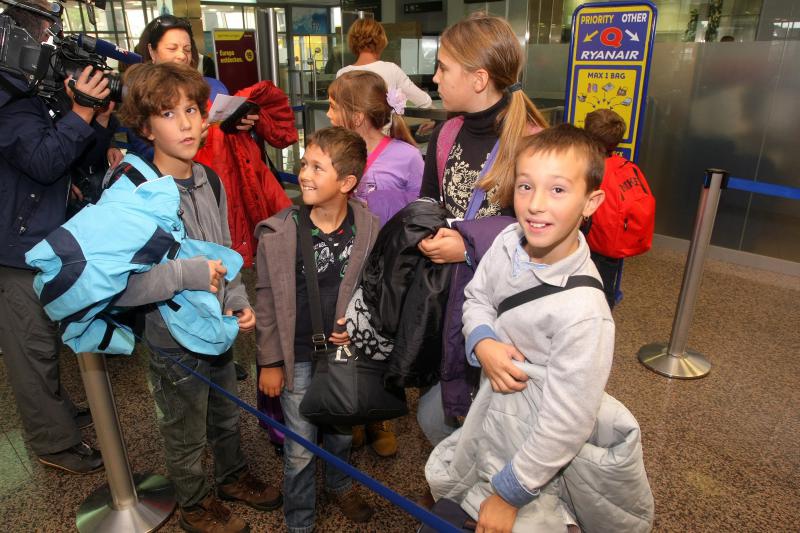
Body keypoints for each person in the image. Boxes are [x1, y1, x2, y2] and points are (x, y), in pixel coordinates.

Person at [114, 62, 281, 533]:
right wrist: (188, 274)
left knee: (225, 414)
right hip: (171, 337)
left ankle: (231, 477)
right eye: (169, 114)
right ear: (145, 126)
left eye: (192, 110)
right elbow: (123, 285)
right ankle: (193, 503)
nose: (186, 124)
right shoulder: (135, 191)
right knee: (184, 429)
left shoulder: (210, 179)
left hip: (217, 329)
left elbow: (223, 248)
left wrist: (236, 298)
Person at [457, 124, 613, 532]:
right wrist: (483, 341)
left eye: (558, 190)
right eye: (525, 187)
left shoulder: (585, 312)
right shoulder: (507, 242)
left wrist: (509, 494)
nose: (536, 205)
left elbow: (567, 423)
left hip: (535, 464)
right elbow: (477, 297)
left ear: (591, 202)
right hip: (491, 419)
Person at [415, 13, 549, 446]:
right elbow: (429, 200)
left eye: (443, 68)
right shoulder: (445, 133)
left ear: (478, 79)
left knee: (486, 421)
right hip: (447, 292)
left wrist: (468, 245)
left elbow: (543, 229)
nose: (435, 78)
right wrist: (425, 231)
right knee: (442, 411)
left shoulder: (532, 143)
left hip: (505, 306)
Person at [0, 0, 114, 474]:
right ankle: (53, 441)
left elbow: (77, 158)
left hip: (43, 235)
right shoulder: (8, 100)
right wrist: (81, 111)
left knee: (46, 342)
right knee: (31, 350)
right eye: (47, 31)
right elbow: (45, 161)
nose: (53, 41)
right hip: (16, 247)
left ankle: (58, 411)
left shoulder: (31, 93)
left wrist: (95, 119)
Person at [256, 127, 380, 533]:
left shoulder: (368, 228)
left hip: (344, 355)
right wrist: (270, 361)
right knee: (300, 447)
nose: (304, 174)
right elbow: (267, 300)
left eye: (317, 168)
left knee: (341, 433)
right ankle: (300, 520)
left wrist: (358, 329)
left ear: (346, 182)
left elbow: (373, 292)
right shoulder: (281, 232)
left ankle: (339, 485)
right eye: (304, 164)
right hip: (297, 355)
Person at [328, 70, 423, 226]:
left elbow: (423, 207)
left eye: (333, 107)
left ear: (357, 117)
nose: (328, 114)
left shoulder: (408, 156)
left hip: (388, 238)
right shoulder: (332, 151)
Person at [583, 108, 654, 309]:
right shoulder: (625, 166)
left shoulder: (591, 169)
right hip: (614, 242)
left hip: (593, 241)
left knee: (590, 283)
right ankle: (607, 309)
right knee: (607, 283)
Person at [337, 17, 432, 109]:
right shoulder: (391, 70)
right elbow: (424, 102)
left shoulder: (342, 74)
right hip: (384, 120)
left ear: (352, 41)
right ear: (381, 41)